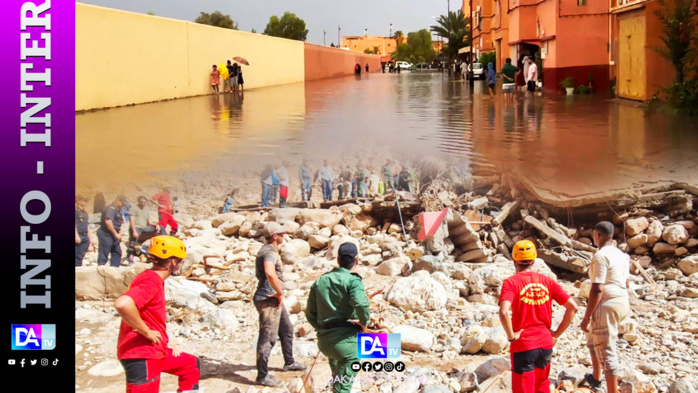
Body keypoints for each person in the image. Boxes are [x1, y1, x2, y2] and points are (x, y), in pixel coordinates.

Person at [115, 236, 201, 393]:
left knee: (190, 364)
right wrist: (146, 332)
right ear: (173, 263)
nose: (182, 264)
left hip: (154, 349)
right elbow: (123, 304)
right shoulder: (151, 281)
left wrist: (165, 341)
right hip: (142, 354)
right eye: (180, 261)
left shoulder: (151, 277)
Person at [499, 240, 579, 393]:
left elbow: (503, 312)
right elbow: (573, 308)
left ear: (514, 260)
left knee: (524, 388)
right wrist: (556, 334)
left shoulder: (511, 282)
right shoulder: (547, 281)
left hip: (524, 345)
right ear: (534, 260)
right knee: (542, 385)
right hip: (545, 344)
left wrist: (511, 337)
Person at [306, 242, 370, 393]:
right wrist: (364, 323)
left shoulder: (321, 280)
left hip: (325, 342)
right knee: (342, 388)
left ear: (338, 260)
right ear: (357, 261)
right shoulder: (353, 280)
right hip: (346, 343)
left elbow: (310, 314)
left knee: (339, 376)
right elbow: (361, 304)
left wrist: (323, 329)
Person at [253, 223, 307, 387]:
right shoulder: (269, 252)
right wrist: (279, 291)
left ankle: (289, 362)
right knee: (267, 337)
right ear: (275, 236)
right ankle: (262, 376)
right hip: (269, 298)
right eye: (282, 234)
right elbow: (269, 272)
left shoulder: (267, 249)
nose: (285, 236)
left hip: (273, 298)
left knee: (287, 329)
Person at [580, 221, 630, 393]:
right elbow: (627, 283)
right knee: (593, 338)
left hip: (607, 302)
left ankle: (611, 390)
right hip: (622, 300)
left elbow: (597, 288)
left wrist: (587, 317)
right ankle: (596, 377)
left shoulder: (600, 256)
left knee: (606, 347)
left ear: (597, 235)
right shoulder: (622, 255)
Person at [98, 195, 129, 267]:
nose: (123, 205)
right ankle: (101, 270)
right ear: (117, 200)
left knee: (117, 252)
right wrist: (116, 234)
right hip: (106, 233)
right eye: (122, 203)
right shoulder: (111, 208)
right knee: (104, 253)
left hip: (113, 234)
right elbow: (108, 221)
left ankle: (114, 270)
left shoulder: (117, 210)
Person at [127, 196, 160, 264]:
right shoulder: (134, 208)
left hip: (144, 228)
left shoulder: (146, 209)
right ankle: (130, 259)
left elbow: (149, 222)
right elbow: (131, 220)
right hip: (136, 228)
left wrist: (156, 225)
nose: (143, 203)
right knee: (133, 244)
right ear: (138, 201)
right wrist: (134, 231)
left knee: (161, 228)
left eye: (144, 202)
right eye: (141, 202)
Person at [75, 195, 96, 267]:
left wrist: (90, 238)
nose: (85, 202)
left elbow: (86, 226)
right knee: (76, 256)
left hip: (84, 236)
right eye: (84, 200)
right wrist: (76, 236)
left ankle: (78, 269)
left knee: (80, 256)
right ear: (78, 201)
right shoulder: (75, 211)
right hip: (78, 235)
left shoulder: (84, 213)